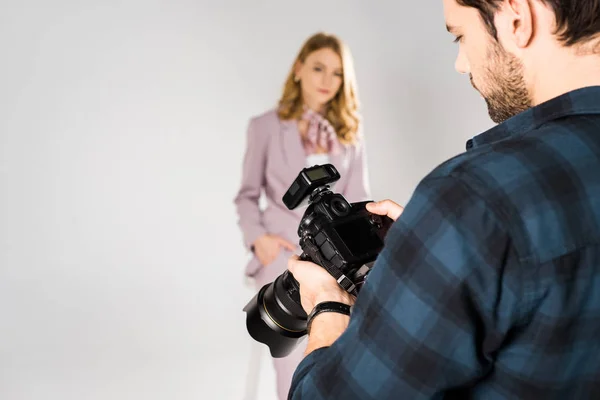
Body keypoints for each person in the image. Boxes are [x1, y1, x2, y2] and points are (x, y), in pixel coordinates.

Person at [287, 1, 600, 399]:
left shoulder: (473, 198)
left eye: (460, 36)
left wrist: (329, 307)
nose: (461, 64)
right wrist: (441, 247)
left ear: (517, 18)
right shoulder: (473, 212)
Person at [233, 32, 370, 400]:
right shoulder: (264, 127)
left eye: (338, 74)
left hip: (336, 263)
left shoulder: (350, 134)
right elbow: (247, 196)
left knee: (339, 353)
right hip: (284, 260)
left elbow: (358, 201)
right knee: (291, 365)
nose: (327, 81)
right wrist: (259, 240)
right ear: (298, 70)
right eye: (318, 68)